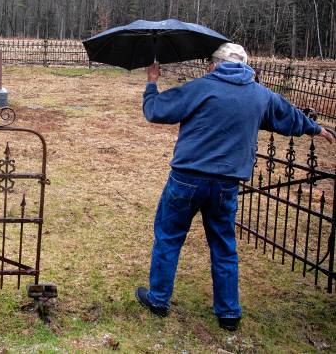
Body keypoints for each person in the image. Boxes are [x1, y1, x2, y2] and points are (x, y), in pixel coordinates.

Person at [135, 42, 334, 331]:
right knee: (224, 246)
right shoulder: (259, 95)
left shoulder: (200, 87)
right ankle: (228, 313)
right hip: (227, 183)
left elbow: (155, 111)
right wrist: (315, 128)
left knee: (168, 236)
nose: (206, 67)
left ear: (215, 64)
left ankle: (158, 299)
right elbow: (287, 117)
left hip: (187, 179)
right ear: (246, 65)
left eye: (208, 63)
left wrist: (152, 83)